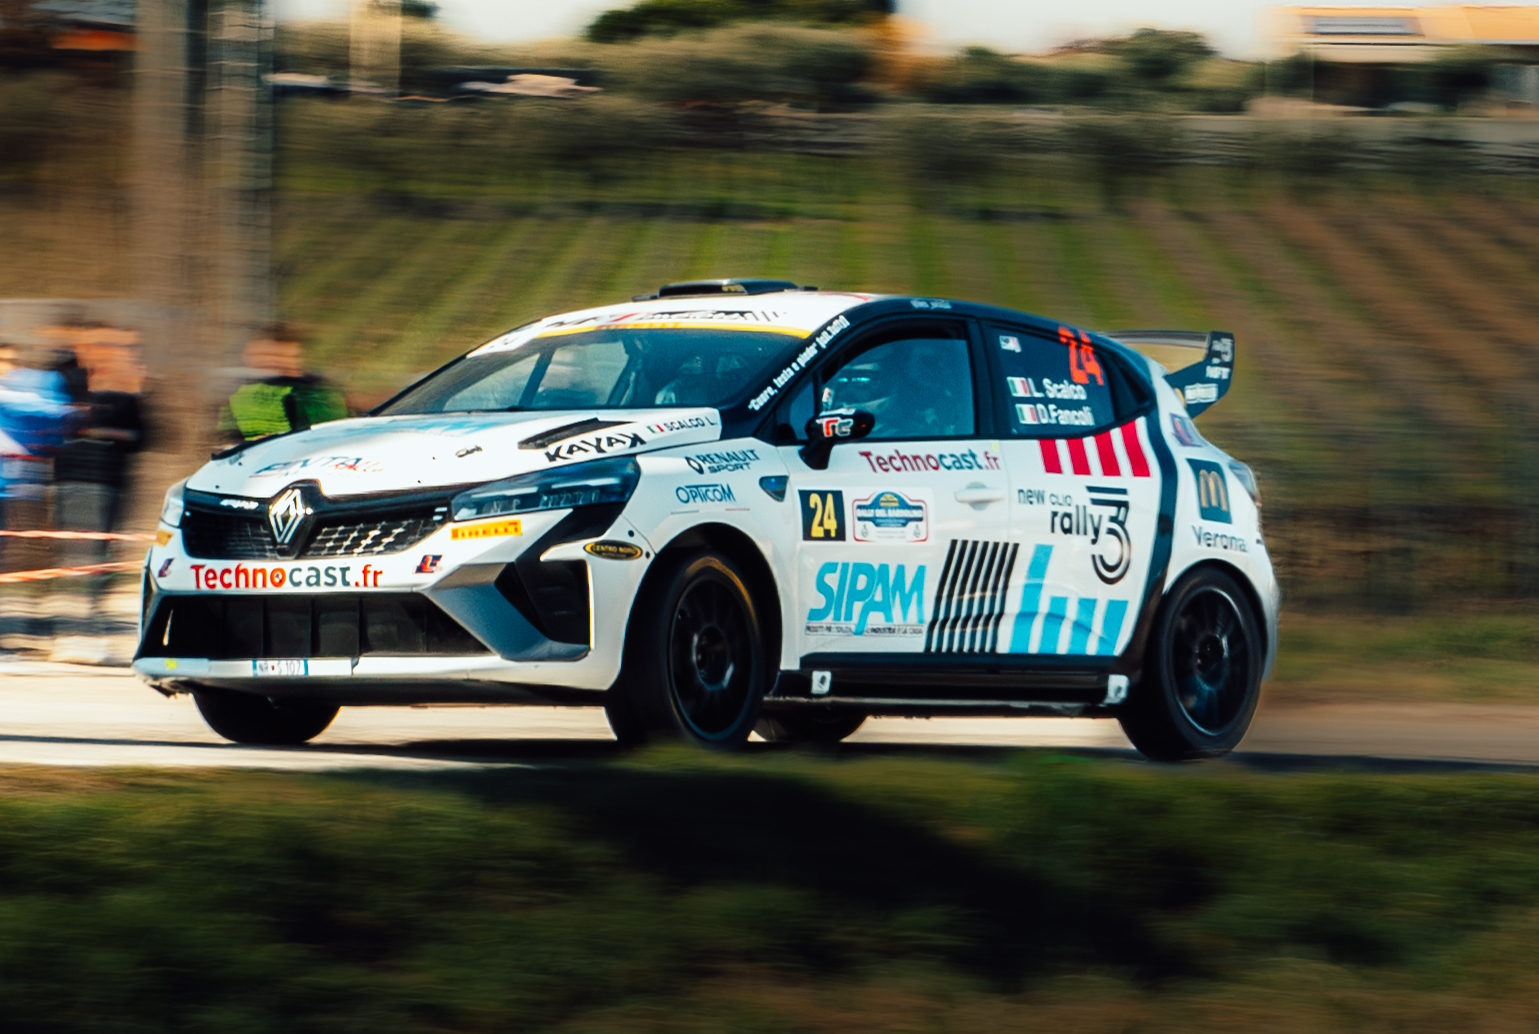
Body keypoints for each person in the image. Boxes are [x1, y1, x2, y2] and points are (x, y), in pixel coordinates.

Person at [52, 330, 148, 610]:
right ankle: (69, 621)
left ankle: (90, 615)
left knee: (103, 556)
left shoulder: (126, 398)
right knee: (74, 554)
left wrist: (100, 431)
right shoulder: (68, 387)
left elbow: (141, 437)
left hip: (111, 484)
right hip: (73, 479)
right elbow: (57, 426)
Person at [219, 323, 348, 442]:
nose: (274, 364)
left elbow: (333, 437)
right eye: (265, 358)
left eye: (286, 359)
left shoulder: (315, 394)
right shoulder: (233, 395)